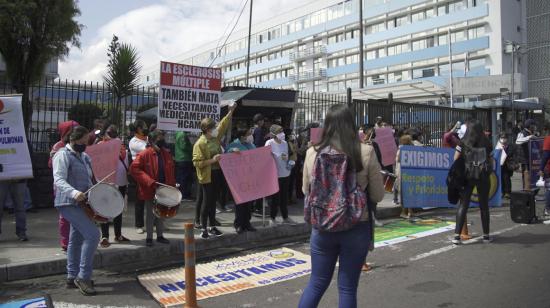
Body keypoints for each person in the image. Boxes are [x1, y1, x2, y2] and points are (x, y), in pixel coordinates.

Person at [299, 104, 384, 308]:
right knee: (347, 288)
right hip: (356, 225)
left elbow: (305, 190)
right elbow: (378, 195)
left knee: (317, 283)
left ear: (327, 125)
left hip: (322, 226)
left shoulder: (313, 152)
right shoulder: (366, 151)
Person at [52, 126, 100, 295]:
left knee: (76, 239)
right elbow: (58, 179)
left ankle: (72, 276)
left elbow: (89, 179)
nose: (85, 144)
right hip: (67, 203)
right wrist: (74, 192)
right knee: (93, 235)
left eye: (87, 142)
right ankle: (83, 277)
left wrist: (101, 188)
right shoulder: (62, 155)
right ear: (73, 139)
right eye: (83, 141)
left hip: (82, 204)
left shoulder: (85, 157)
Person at [193, 103, 237, 239]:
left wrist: (231, 111)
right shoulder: (200, 143)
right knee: (206, 202)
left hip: (218, 173)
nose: (215, 129)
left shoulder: (215, 138)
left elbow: (223, 125)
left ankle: (212, 226)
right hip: (207, 175)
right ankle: (203, 228)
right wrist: (212, 160)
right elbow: (197, 163)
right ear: (206, 129)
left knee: (213, 201)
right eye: (213, 127)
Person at [452, 120, 494, 245]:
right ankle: (486, 236)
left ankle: (456, 236)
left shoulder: (463, 141)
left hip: (467, 176)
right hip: (483, 177)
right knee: (484, 205)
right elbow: (491, 160)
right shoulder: (487, 142)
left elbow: (456, 158)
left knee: (463, 205)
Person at [129, 129, 174, 247]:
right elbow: (134, 169)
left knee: (162, 213)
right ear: (153, 141)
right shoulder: (145, 154)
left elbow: (170, 170)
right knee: (151, 213)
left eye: (162, 138)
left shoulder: (166, 153)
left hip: (164, 188)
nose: (162, 140)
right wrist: (148, 181)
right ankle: (149, 237)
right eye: (159, 138)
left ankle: (160, 236)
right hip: (151, 188)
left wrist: (172, 186)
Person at [98, 125, 130, 248]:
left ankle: (118, 234)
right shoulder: (100, 146)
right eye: (109, 132)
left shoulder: (121, 146)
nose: (111, 134)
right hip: (106, 182)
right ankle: (104, 236)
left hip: (120, 182)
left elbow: (125, 162)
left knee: (118, 208)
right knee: (105, 209)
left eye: (113, 132)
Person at [49, 120, 79, 251]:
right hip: (63, 188)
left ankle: (76, 241)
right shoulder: (58, 146)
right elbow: (51, 165)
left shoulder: (79, 145)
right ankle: (65, 242)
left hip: (77, 187)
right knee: (65, 217)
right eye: (73, 130)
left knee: (79, 215)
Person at [226, 126, 257, 233]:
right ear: (242, 136)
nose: (251, 136)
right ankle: (238, 224)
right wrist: (231, 151)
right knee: (240, 203)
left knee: (249, 203)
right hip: (238, 179)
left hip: (250, 177)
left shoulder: (251, 145)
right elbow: (225, 157)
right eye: (249, 134)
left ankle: (247, 223)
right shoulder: (233, 145)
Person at [265, 124, 295, 226]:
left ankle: (285, 217)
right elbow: (265, 158)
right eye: (279, 132)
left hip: (285, 173)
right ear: (274, 134)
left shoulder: (285, 143)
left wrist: (290, 163)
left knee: (284, 198)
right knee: (275, 199)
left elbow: (288, 156)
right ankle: (272, 219)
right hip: (275, 175)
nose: (282, 133)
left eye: (282, 131)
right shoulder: (269, 143)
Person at [129, 120, 149, 234]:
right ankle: (139, 225)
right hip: (139, 173)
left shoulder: (147, 138)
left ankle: (156, 222)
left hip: (150, 170)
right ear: (138, 129)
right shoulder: (134, 141)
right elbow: (148, 150)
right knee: (140, 199)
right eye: (144, 127)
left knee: (154, 198)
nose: (145, 129)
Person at [516, 119, 537, 190]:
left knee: (532, 176)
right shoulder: (522, 133)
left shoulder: (532, 133)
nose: (534, 127)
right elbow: (518, 141)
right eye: (533, 125)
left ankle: (530, 190)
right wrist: (529, 137)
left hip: (532, 158)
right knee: (526, 175)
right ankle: (526, 190)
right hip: (525, 159)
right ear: (529, 126)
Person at [396, 134, 414, 218]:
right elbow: (399, 159)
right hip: (403, 174)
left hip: (407, 173)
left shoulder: (408, 149)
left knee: (408, 192)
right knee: (405, 193)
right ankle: (404, 211)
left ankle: (409, 211)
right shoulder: (401, 149)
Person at [174, 131, 194, 201]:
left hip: (180, 158)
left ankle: (181, 194)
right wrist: (192, 147)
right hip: (184, 159)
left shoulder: (179, 133)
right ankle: (184, 195)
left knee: (180, 178)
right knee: (184, 178)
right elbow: (184, 147)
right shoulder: (182, 135)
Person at [497, 132, 517, 199]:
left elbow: (511, 154)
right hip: (500, 165)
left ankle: (508, 192)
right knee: (501, 179)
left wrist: (505, 152)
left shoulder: (510, 146)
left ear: (507, 139)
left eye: (504, 138)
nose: (503, 139)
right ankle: (502, 192)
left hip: (507, 165)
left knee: (506, 178)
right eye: (502, 138)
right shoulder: (498, 145)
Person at [539, 124, 550, 216]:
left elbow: (545, 156)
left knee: (549, 189)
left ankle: (548, 209)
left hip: (549, 168)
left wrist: (541, 169)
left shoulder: (548, 139)